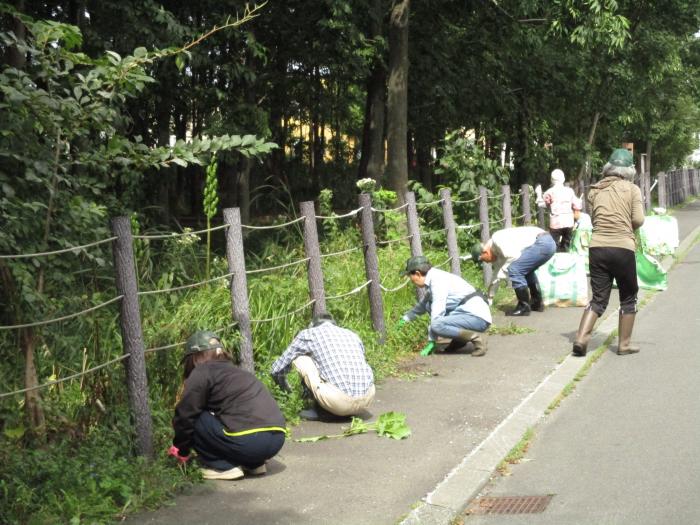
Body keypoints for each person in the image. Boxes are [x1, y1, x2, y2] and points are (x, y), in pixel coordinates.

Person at [169, 330, 286, 480]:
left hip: (249, 442)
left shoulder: (202, 371)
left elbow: (185, 415)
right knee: (222, 420)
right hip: (277, 439)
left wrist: (181, 450)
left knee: (196, 417)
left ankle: (222, 466)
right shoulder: (238, 371)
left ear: (196, 357)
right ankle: (254, 464)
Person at [572, 148, 644, 357]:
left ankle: (581, 339)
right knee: (628, 297)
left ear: (608, 168)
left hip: (598, 248)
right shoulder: (632, 190)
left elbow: (596, 218)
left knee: (598, 299)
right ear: (629, 170)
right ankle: (624, 344)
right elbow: (638, 219)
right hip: (622, 248)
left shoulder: (594, 190)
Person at [271, 312, 375, 421]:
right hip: (367, 399)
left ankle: (319, 410)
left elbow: (276, 369)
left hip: (338, 403)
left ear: (312, 325)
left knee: (301, 359)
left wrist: (285, 392)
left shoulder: (309, 334)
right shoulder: (352, 334)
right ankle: (346, 408)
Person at [398, 255, 491, 357]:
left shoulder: (437, 282)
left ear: (418, 274)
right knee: (429, 305)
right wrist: (404, 320)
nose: (412, 282)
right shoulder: (435, 278)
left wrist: (432, 341)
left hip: (477, 318)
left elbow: (437, 312)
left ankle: (477, 338)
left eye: (411, 279)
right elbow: (422, 307)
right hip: (471, 315)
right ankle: (459, 340)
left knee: (436, 325)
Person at [472, 226, 556, 316]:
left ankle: (524, 307)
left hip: (542, 243)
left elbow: (514, 256)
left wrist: (503, 271)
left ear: (485, 252)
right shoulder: (498, 251)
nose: (487, 262)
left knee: (514, 269)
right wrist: (490, 299)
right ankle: (537, 303)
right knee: (525, 270)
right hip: (547, 242)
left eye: (484, 260)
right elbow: (496, 276)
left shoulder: (497, 240)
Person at [543, 169, 581, 252]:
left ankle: (555, 259)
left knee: (553, 245)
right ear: (563, 179)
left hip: (555, 223)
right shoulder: (569, 191)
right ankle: (565, 258)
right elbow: (577, 204)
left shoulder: (549, 192)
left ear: (552, 180)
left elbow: (546, 203)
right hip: (568, 222)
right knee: (566, 245)